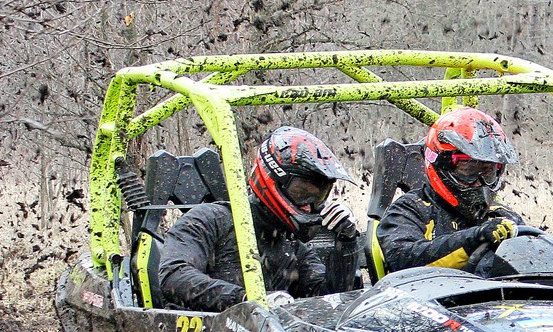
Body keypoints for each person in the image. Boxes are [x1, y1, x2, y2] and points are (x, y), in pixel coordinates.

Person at [157, 126, 361, 312]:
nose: (309, 205)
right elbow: (174, 277)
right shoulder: (209, 219)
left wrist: (346, 243)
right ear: (274, 181)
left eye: (318, 197)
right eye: (302, 193)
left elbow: (329, 302)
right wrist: (248, 300)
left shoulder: (292, 245)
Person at [375, 106, 527, 274]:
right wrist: (474, 238)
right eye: (469, 171)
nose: (479, 183)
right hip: (434, 296)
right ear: (441, 164)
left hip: (499, 296)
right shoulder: (410, 209)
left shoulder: (501, 215)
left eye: (488, 172)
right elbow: (402, 260)